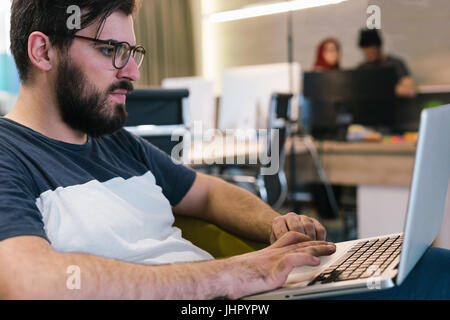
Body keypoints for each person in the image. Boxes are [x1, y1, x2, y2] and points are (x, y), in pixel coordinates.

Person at [0, 0, 448, 301]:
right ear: (43, 51)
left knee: (429, 266)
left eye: (133, 50)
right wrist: (234, 273)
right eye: (112, 49)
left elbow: (209, 193)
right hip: (222, 294)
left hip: (235, 298)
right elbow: (27, 279)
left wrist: (276, 225)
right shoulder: (9, 154)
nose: (133, 72)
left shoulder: (117, 143)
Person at [358, 28, 416, 98]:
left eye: (372, 51)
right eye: (367, 52)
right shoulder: (362, 69)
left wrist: (378, 90)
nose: (370, 55)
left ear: (379, 47)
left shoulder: (396, 64)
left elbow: (409, 90)